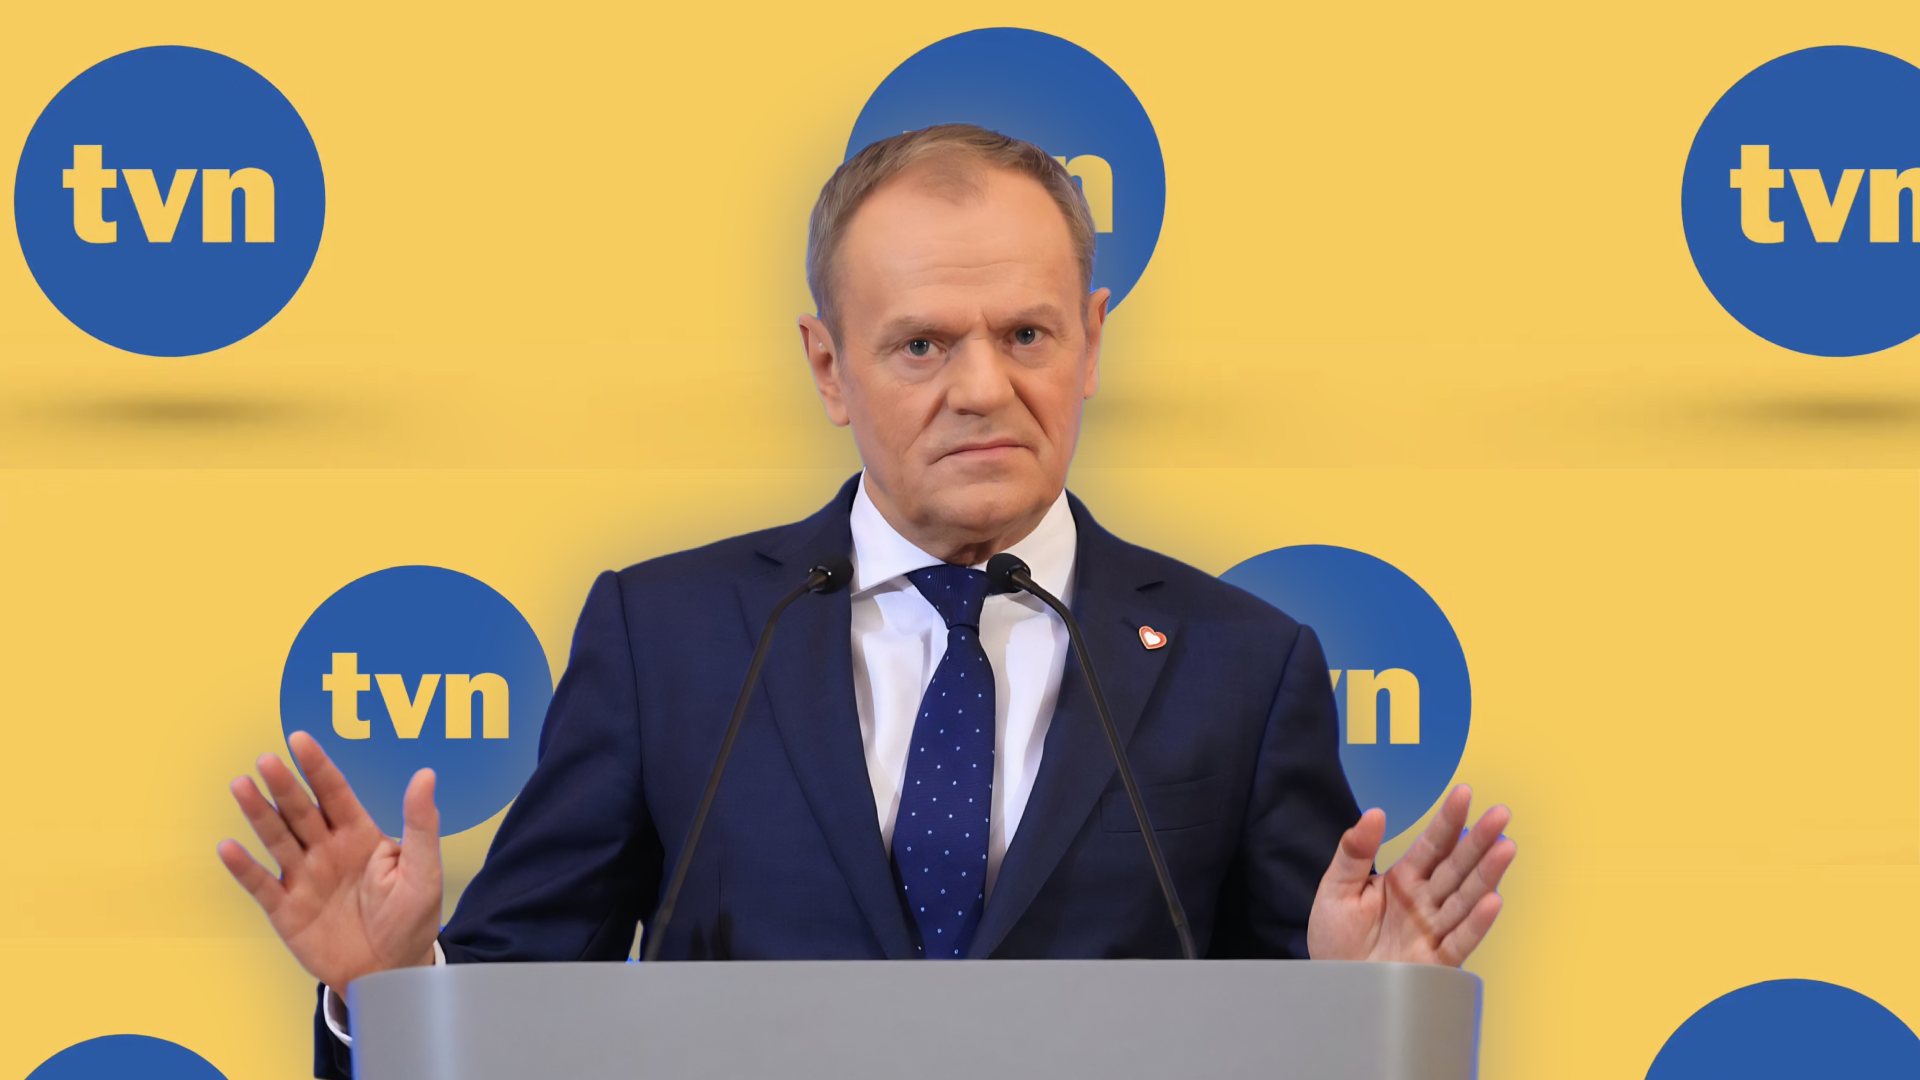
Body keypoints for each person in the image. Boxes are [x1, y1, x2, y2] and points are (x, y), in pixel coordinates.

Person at [215, 123, 1516, 1078]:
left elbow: (1300, 1030)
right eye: (921, 344)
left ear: (1093, 341)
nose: (983, 389)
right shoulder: (668, 640)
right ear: (830, 367)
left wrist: (1370, 1023)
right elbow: (512, 1022)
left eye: (1027, 334)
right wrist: (389, 991)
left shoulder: (1244, 664)